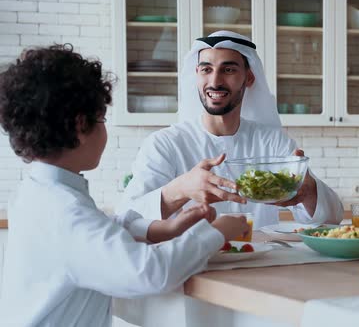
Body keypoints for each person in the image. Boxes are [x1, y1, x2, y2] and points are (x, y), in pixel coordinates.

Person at [0, 44, 249, 326]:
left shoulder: (36, 192)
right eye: (102, 118)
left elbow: (101, 232)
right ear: (81, 126)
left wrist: (159, 230)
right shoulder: (66, 211)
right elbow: (150, 273)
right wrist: (215, 232)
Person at [117, 30, 343, 228]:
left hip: (259, 266)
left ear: (249, 78)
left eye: (228, 70)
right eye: (206, 69)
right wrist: (180, 189)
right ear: (197, 75)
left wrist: (308, 190)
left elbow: (332, 219)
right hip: (191, 267)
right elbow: (126, 219)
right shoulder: (164, 143)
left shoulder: (273, 143)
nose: (215, 81)